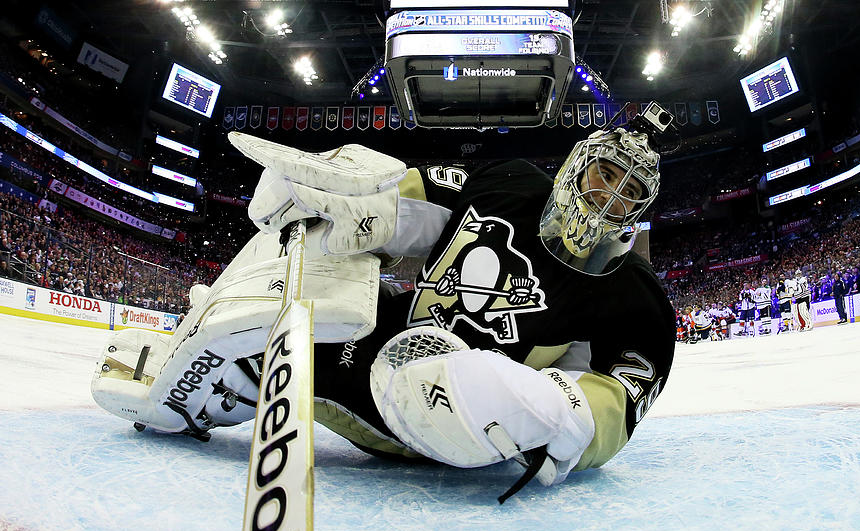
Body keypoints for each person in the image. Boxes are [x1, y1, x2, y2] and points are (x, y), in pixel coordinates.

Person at [91, 111, 676, 498]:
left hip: (456, 404)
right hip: (391, 331)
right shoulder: (510, 182)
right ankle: (202, 338)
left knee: (416, 377)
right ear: (580, 163)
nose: (608, 199)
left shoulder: (633, 292)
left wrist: (556, 409)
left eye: (629, 194)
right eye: (606, 176)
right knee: (324, 213)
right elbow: (423, 200)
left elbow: (618, 400)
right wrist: (356, 198)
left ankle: (219, 382)